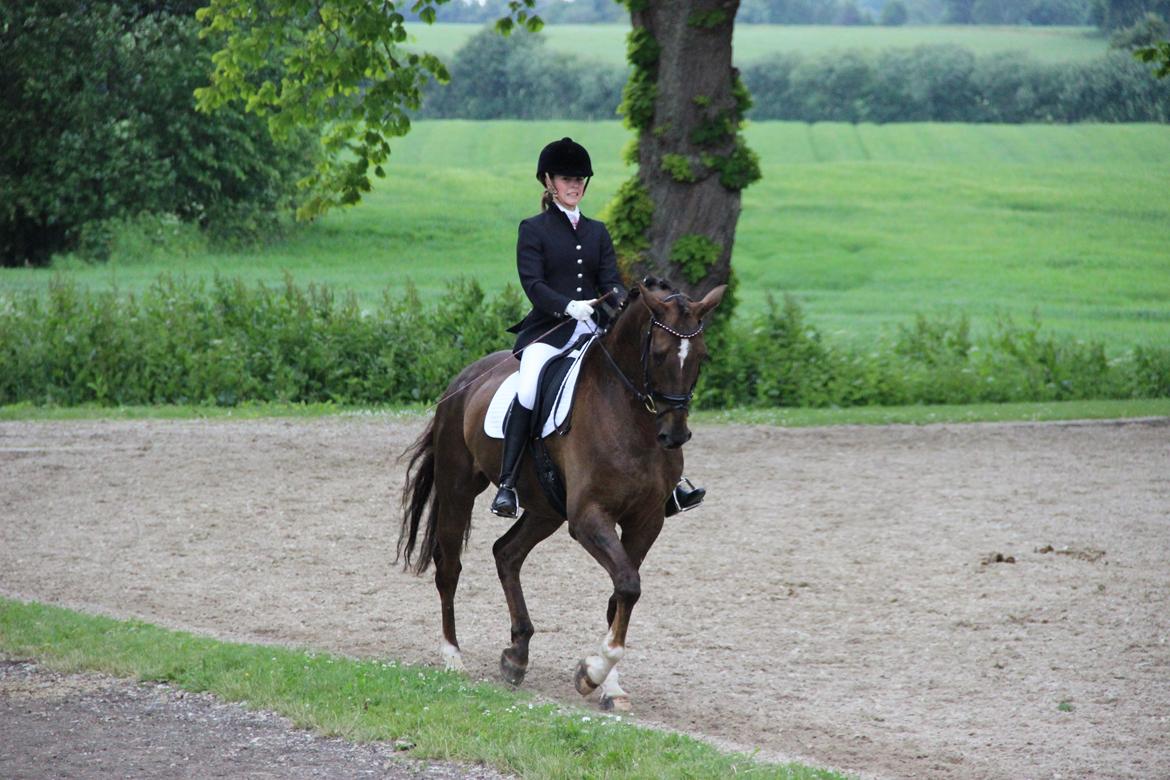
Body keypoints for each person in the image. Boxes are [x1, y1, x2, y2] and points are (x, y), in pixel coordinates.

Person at [490, 137, 706, 519]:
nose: (574, 185)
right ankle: (508, 484)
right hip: (550, 331)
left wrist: (620, 302)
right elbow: (533, 283)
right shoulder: (534, 229)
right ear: (549, 182)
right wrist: (566, 306)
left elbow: (611, 281)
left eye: (579, 179)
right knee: (529, 387)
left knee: (640, 381)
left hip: (594, 330)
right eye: (566, 179)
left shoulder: (597, 231)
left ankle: (670, 482)